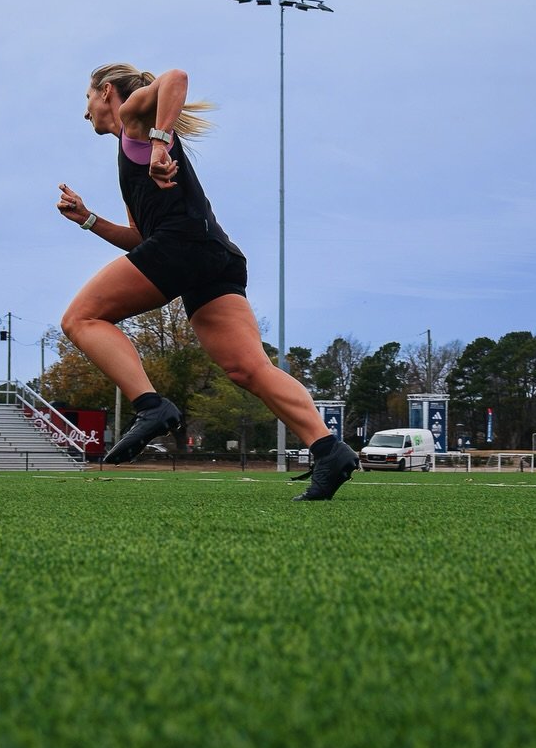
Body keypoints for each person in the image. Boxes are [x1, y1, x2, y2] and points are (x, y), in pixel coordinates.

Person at [57, 63, 359, 501]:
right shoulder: (129, 151)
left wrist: (159, 144)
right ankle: (329, 450)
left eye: (86, 98)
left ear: (106, 92)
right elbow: (141, 239)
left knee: (80, 319)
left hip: (184, 246)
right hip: (212, 254)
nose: (86, 112)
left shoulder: (133, 117)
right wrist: (88, 219)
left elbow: (176, 77)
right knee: (248, 368)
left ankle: (151, 406)